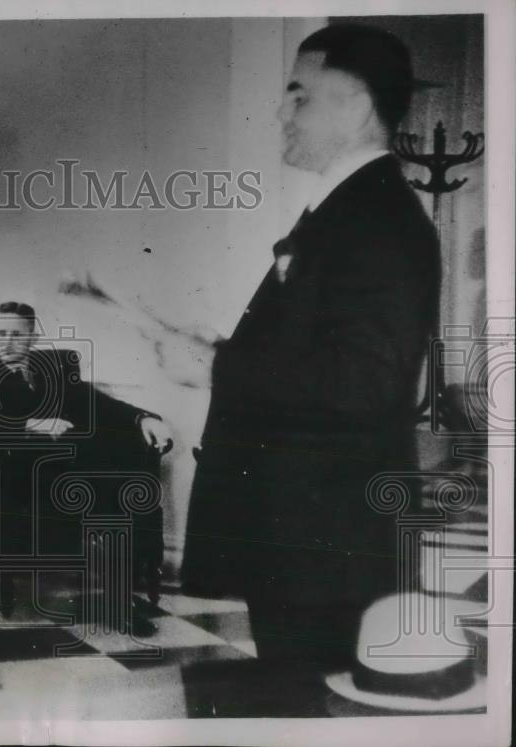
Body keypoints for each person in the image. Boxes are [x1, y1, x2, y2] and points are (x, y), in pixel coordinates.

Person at [180, 24, 441, 674]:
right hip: (307, 540)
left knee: (313, 701)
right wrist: (216, 354)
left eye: (299, 95)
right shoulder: (347, 210)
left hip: (327, 546)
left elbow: (364, 384)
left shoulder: (376, 220)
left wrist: (218, 365)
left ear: (355, 106)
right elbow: (317, 355)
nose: (281, 112)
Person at [0, 301, 172, 630]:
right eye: (0, 334)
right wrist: (30, 424)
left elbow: (99, 403)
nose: (7, 343)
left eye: (17, 335)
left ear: (33, 337)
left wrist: (144, 418)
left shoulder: (52, 371)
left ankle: (120, 599)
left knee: (120, 483)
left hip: (65, 473)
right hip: (13, 479)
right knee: (108, 491)